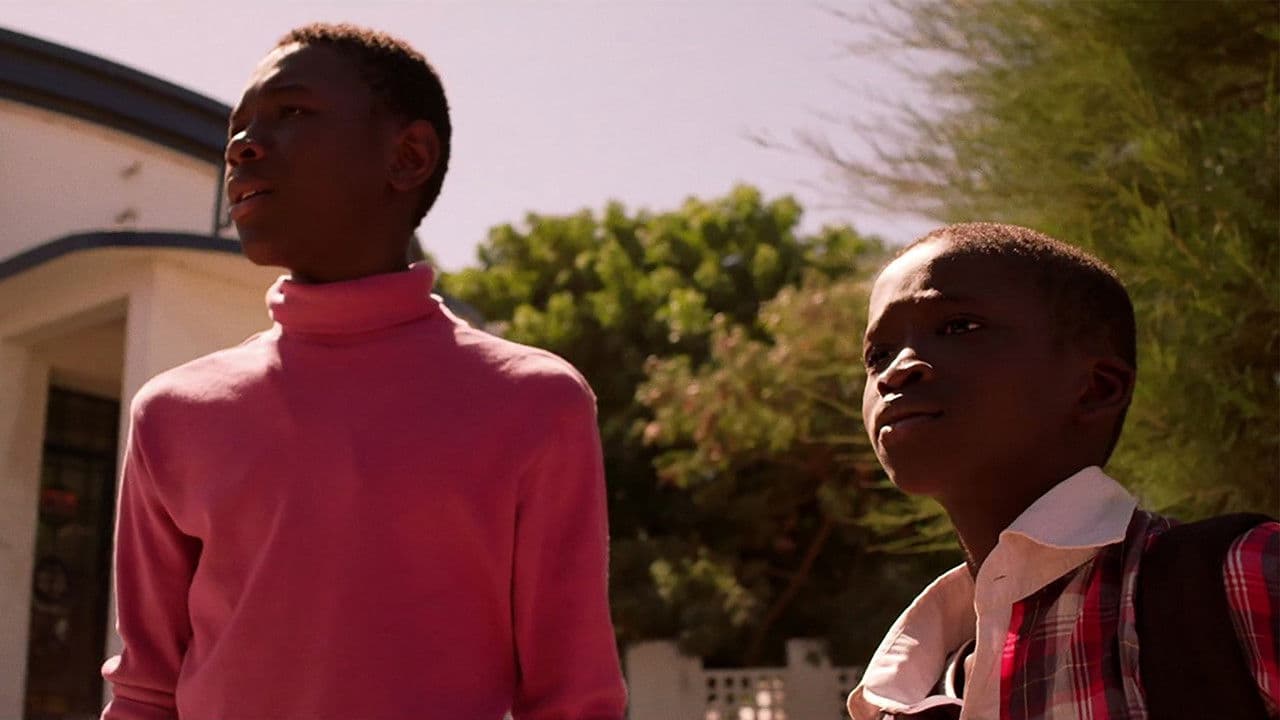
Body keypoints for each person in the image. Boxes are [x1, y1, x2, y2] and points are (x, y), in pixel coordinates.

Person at [101, 23, 626, 720]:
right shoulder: (173, 413)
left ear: (408, 157)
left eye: (291, 111)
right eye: (237, 128)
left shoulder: (534, 404)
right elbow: (145, 693)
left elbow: (573, 699)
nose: (240, 145)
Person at [848, 222, 1278, 719]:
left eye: (959, 327)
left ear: (1096, 388)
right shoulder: (902, 692)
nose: (897, 370)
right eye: (878, 355)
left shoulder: (1240, 579)